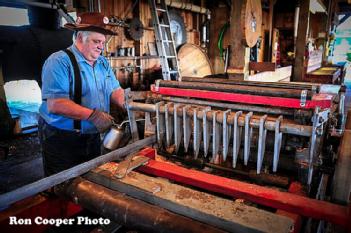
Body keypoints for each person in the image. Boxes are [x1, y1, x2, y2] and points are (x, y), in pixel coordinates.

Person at [38, 12, 125, 176]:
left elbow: (115, 90)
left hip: (92, 134)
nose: (101, 46)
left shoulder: (102, 63)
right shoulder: (59, 62)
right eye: (96, 41)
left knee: (90, 178)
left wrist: (130, 105)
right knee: (63, 184)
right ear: (79, 38)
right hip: (62, 137)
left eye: (103, 43)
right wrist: (94, 116)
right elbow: (56, 104)